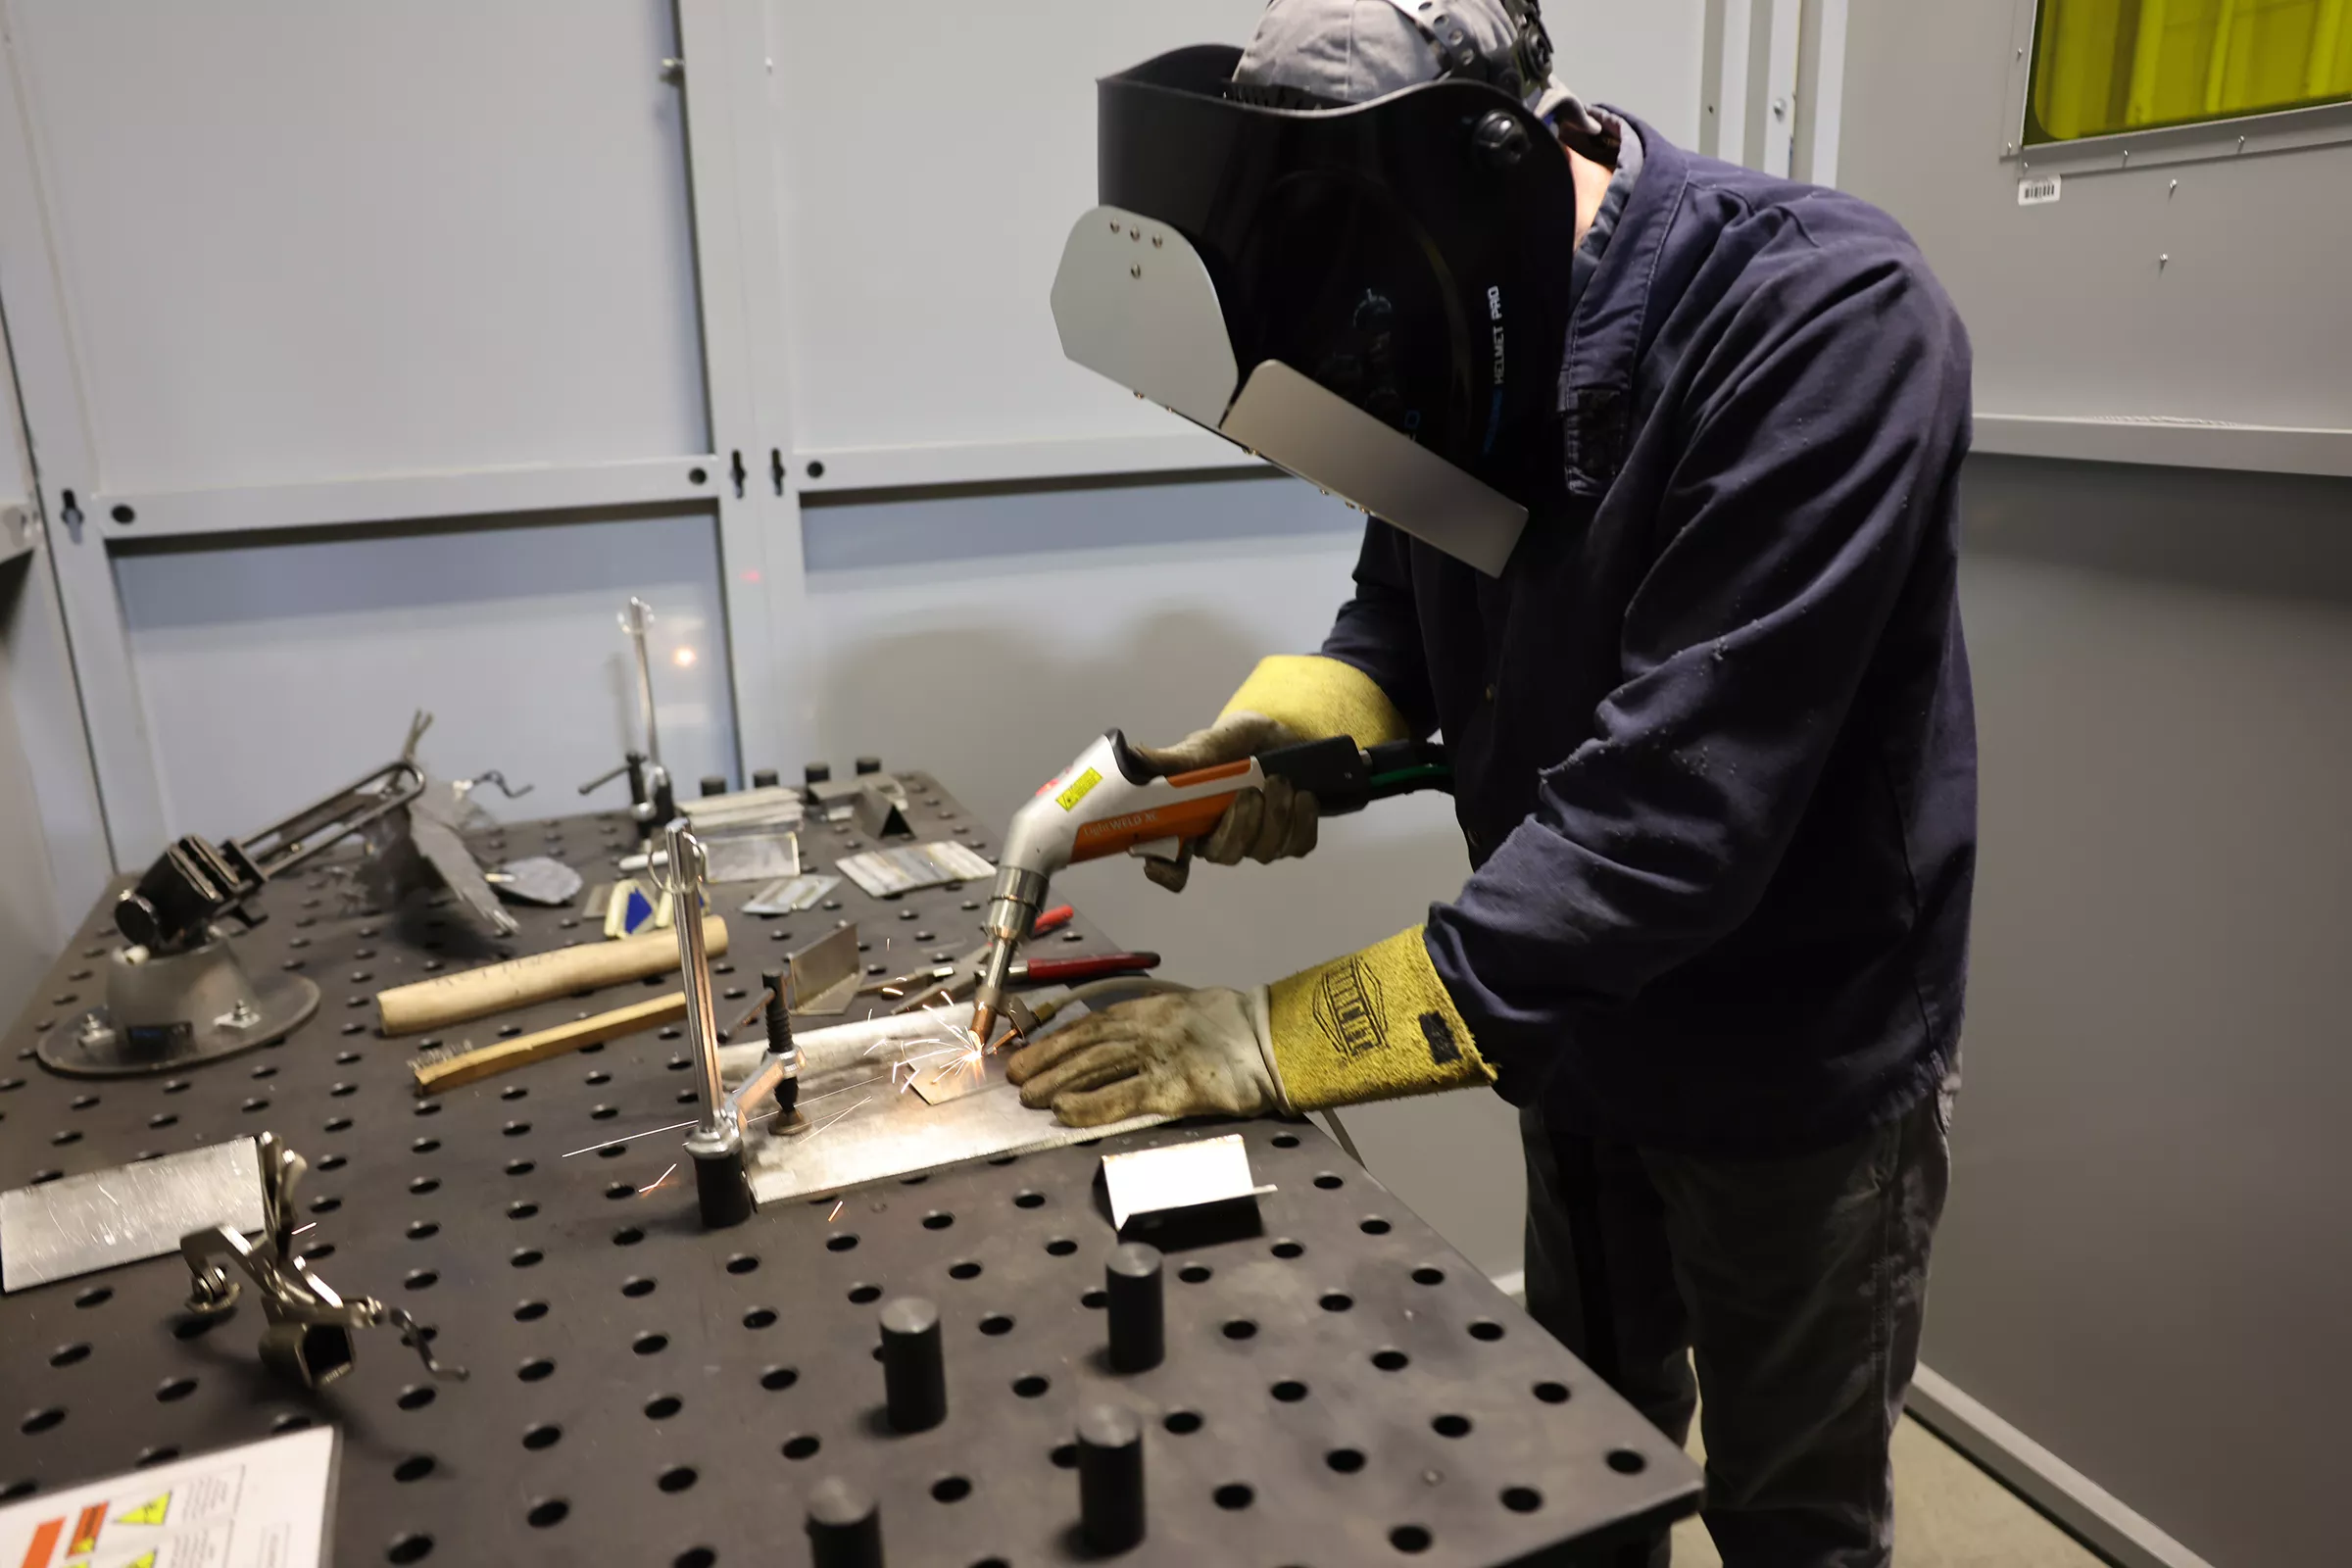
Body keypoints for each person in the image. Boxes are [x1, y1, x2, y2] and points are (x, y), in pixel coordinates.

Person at [1004, 2, 1974, 1564]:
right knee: (1573, 1455)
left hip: (1790, 1063)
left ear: (1497, 184)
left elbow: (1666, 830)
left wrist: (1270, 1036)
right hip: (1574, 1044)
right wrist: (1302, 720)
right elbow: (1410, 598)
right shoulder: (1451, 328)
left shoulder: (1823, 318)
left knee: (1790, 1519)